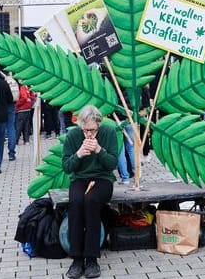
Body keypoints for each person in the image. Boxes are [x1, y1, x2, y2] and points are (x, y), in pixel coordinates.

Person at [61, 105, 118, 279]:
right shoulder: (73, 135)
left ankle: (92, 258)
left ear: (99, 125)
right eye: (85, 130)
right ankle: (77, 259)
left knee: (91, 201)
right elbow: (67, 167)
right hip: (80, 179)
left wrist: (99, 150)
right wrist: (78, 154)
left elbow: (112, 164)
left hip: (103, 179)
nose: (89, 134)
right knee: (77, 202)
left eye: (92, 130)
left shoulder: (108, 132)